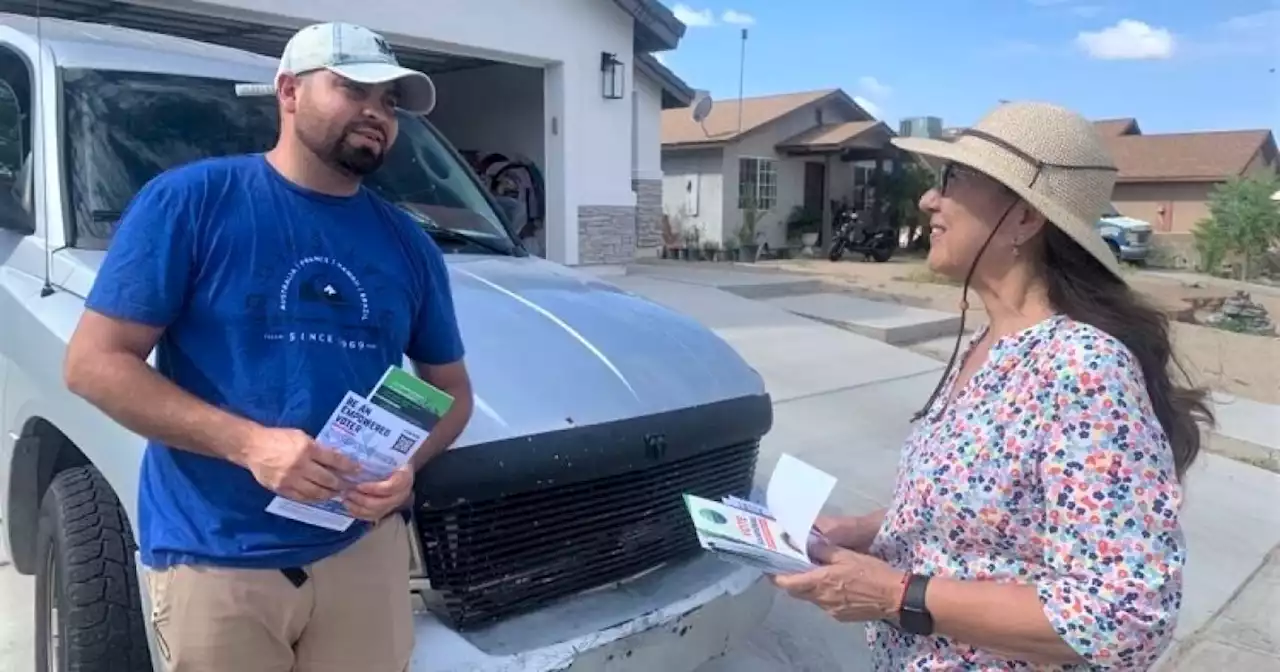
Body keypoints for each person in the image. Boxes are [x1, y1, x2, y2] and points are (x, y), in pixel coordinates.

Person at [63, 21, 475, 672]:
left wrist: (407, 469)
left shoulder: (408, 244)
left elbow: (451, 391)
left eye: (390, 102)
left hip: (361, 552)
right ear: (288, 90)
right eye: (353, 88)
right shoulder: (191, 203)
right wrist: (250, 444)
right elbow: (93, 364)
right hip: (219, 553)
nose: (376, 112)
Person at [772, 101, 1214, 670]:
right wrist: (856, 532)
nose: (929, 199)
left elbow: (1124, 617)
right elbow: (982, 516)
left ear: (1026, 218)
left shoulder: (1081, 368)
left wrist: (892, 594)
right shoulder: (987, 344)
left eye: (953, 179)